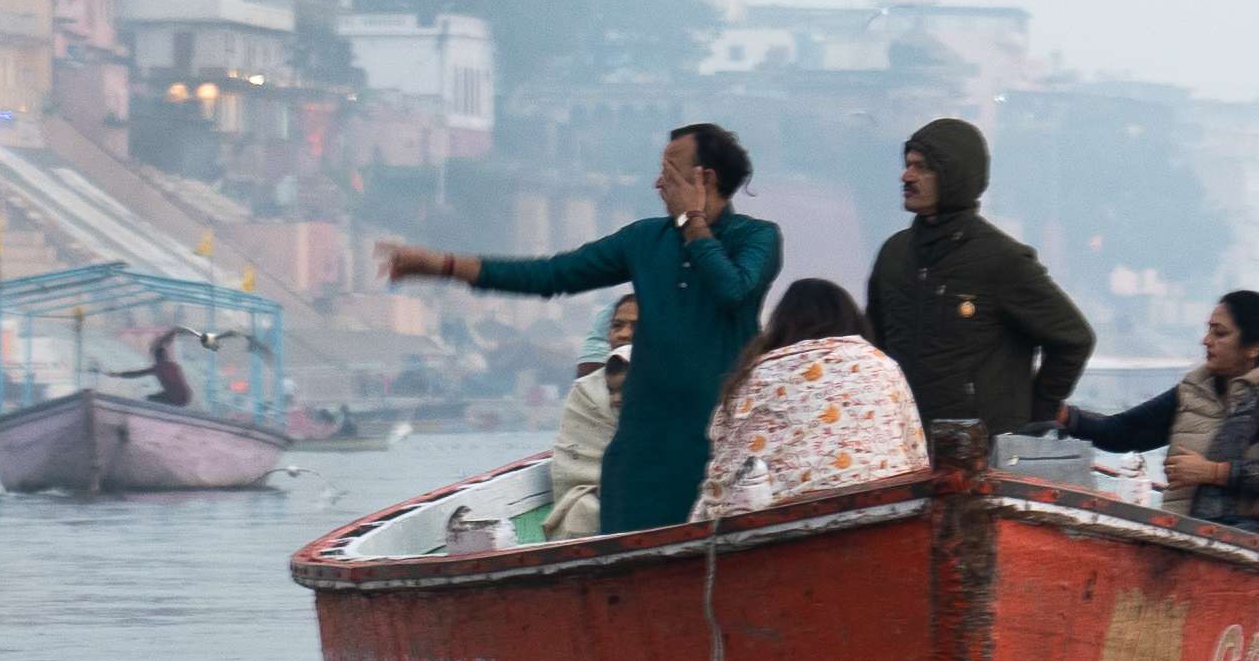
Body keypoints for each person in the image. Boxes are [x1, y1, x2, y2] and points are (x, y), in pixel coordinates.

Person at [385, 121, 776, 534]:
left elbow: (733, 290)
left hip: (720, 450)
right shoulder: (644, 240)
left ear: (705, 179)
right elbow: (552, 274)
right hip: (640, 459)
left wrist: (694, 223)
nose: (658, 183)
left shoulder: (758, 238)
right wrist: (442, 266)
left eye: (669, 171)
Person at [863, 117, 1092, 440]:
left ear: (954, 175)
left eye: (922, 168)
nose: (907, 176)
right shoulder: (894, 255)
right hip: (903, 443)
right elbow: (874, 345)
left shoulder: (1002, 260)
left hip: (982, 455)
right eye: (908, 165)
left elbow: (1073, 338)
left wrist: (1035, 415)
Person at [1065, 286, 1259, 540]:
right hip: (1182, 533)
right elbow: (1124, 432)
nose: (1206, 341)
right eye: (1209, 331)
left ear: (1255, 347)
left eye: (1219, 333)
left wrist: (1212, 472)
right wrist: (1064, 417)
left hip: (1250, 544)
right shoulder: (1195, 388)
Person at [695, 277, 931, 522]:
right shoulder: (881, 366)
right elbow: (917, 460)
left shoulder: (753, 378)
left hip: (777, 532)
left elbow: (725, 476)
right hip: (887, 517)